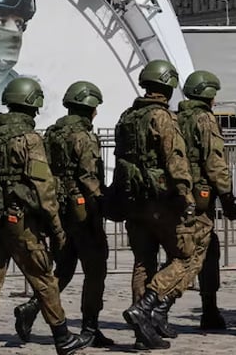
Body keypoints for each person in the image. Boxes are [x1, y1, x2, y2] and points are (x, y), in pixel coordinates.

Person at [0, 78, 92, 355]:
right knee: (43, 277)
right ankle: (62, 337)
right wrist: (57, 228)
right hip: (19, 221)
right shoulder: (30, 139)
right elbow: (44, 189)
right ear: (33, 104)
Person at [13, 81, 113, 347]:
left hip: (59, 208)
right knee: (96, 269)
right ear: (89, 106)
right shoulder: (84, 136)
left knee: (65, 266)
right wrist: (102, 201)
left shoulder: (52, 133)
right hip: (82, 210)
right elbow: (88, 176)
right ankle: (90, 328)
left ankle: (34, 306)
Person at [110, 59, 196, 350]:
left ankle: (142, 332)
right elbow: (176, 160)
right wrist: (186, 195)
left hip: (134, 200)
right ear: (168, 87)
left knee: (142, 262)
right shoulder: (162, 117)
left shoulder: (126, 117)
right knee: (184, 257)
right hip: (162, 202)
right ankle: (145, 308)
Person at [177, 70, 236, 330]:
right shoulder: (205, 120)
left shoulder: (174, 119)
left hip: (175, 198)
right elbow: (215, 163)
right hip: (200, 201)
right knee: (205, 253)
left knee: (177, 253)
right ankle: (206, 310)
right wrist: (228, 196)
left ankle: (152, 311)